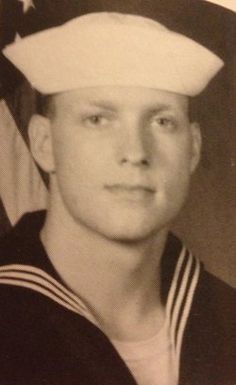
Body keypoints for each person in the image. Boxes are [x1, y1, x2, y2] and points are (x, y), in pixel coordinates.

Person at [0, 4, 235, 385]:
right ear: (43, 143)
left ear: (192, 148)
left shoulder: (226, 320)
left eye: (162, 121)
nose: (135, 152)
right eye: (98, 119)